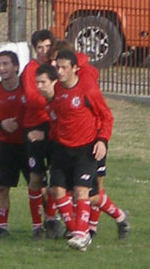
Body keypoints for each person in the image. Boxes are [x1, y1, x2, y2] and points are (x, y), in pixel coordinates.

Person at [48, 40, 130, 239]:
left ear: (75, 68)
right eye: (57, 67)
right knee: (58, 191)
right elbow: (58, 116)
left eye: (63, 67)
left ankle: (81, 234)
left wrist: (102, 140)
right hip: (62, 147)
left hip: (87, 148)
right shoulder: (57, 89)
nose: (59, 71)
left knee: (83, 192)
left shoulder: (88, 88)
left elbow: (106, 116)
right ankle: (79, 228)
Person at [0, 50, 30, 237]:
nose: (1, 68)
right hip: (5, 147)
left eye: (5, 64)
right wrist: (1, 124)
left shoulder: (27, 90)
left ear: (16, 67)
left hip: (28, 145)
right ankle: (1, 226)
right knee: (2, 187)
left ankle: (49, 221)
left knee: (38, 186)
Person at [20, 29, 61, 239]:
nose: (44, 51)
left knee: (56, 176)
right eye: (40, 48)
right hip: (35, 127)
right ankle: (37, 225)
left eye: (47, 46)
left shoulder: (58, 67)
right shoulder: (31, 70)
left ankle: (51, 218)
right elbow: (33, 98)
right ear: (34, 50)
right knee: (36, 177)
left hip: (54, 127)